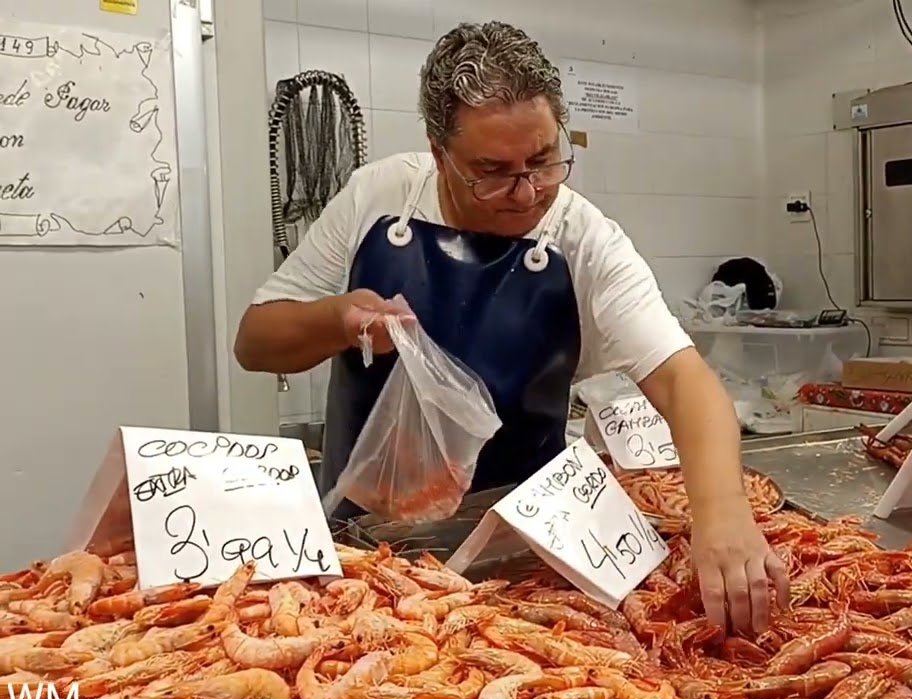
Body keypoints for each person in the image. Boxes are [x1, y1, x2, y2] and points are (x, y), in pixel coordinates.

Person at [235, 21, 788, 634]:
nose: (526, 193)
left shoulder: (585, 238)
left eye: (545, 161)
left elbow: (686, 382)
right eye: (492, 171)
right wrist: (337, 318)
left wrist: (723, 511)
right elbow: (256, 342)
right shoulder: (379, 197)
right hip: (368, 544)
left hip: (529, 548)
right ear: (439, 151)